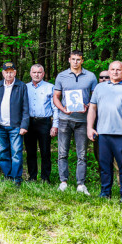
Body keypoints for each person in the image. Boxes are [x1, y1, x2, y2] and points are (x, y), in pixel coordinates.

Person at [86, 61, 122, 201]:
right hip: (103, 133)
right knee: (105, 165)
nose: (115, 72)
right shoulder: (100, 88)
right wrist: (89, 127)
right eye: (112, 69)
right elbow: (92, 108)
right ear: (109, 71)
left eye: (118, 70)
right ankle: (105, 192)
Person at [52, 51, 98, 195]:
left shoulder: (90, 76)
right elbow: (56, 97)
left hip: (83, 121)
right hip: (65, 120)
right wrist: (63, 109)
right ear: (69, 60)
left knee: (82, 154)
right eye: (73, 59)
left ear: (82, 61)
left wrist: (88, 106)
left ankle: (81, 184)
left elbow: (95, 97)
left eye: (78, 59)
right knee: (62, 152)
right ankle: (63, 182)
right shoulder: (62, 76)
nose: (76, 62)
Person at [0, 62, 29, 185]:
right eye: (6, 72)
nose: (8, 74)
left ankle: (17, 178)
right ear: (3, 73)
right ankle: (8, 175)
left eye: (11, 72)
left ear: (15, 73)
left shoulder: (21, 86)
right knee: (3, 153)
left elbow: (25, 107)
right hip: (0, 126)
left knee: (16, 153)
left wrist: (24, 125)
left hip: (16, 126)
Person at [25, 64, 58, 183]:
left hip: (44, 122)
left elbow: (55, 108)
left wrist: (55, 125)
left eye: (39, 72)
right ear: (30, 73)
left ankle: (45, 178)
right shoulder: (25, 87)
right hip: (28, 122)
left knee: (45, 151)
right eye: (34, 72)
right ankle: (32, 177)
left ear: (43, 74)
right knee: (30, 151)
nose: (36, 75)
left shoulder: (50, 87)